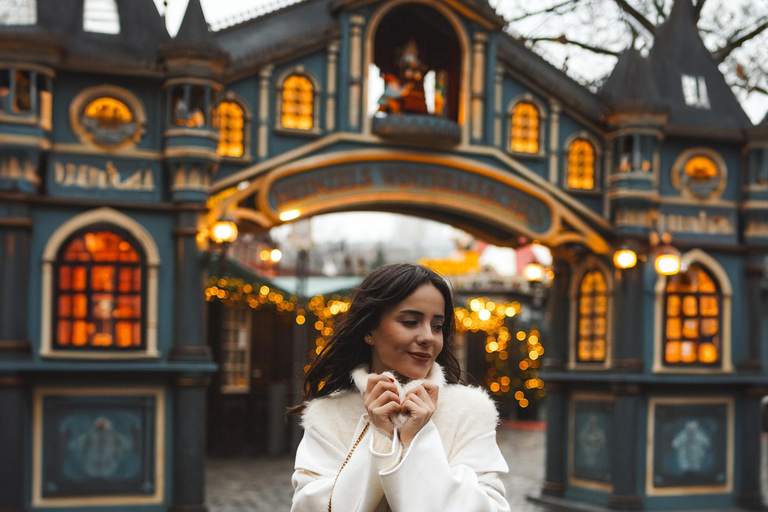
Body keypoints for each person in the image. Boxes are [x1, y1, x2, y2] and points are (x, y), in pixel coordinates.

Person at [288, 263, 510, 512]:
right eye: (410, 322)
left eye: (437, 326)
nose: (428, 337)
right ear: (369, 329)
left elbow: (492, 508)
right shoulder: (328, 414)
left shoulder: (469, 410)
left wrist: (419, 439)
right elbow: (310, 507)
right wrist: (380, 437)